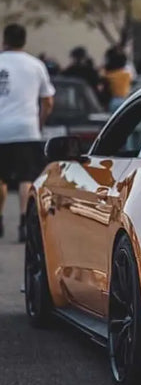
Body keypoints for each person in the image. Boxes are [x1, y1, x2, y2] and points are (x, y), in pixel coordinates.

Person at [0, 24, 55, 242]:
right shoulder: (36, 65)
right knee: (26, 177)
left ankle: (1, 219)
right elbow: (48, 101)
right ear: (24, 41)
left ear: (4, 40)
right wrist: (39, 122)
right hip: (27, 129)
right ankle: (24, 221)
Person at [101, 46, 132, 112]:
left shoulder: (107, 76)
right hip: (125, 100)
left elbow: (105, 91)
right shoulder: (127, 74)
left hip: (112, 102)